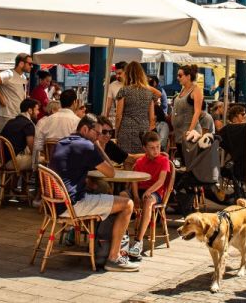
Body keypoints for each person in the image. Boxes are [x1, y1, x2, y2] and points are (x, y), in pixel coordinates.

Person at [50, 113, 138, 271]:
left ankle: (100, 248)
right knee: (127, 204)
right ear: (84, 129)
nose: (98, 137)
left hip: (54, 204)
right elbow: (110, 172)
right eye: (96, 133)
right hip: (73, 205)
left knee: (103, 193)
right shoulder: (86, 146)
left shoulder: (62, 142)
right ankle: (114, 258)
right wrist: (97, 146)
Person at [127, 131, 172, 259]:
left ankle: (138, 241)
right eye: (152, 148)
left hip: (156, 191)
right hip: (140, 190)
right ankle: (123, 238)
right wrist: (135, 196)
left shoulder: (164, 160)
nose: (156, 150)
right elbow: (134, 181)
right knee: (122, 196)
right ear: (144, 148)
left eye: (158, 147)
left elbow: (161, 181)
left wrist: (149, 191)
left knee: (147, 201)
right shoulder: (140, 162)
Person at [33, 89, 82, 170]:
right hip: (70, 167)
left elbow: (38, 145)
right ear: (74, 102)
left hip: (49, 168)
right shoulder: (78, 122)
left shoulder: (47, 120)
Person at [0, 53, 33, 132]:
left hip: (17, 116)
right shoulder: (9, 73)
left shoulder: (23, 77)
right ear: (21, 63)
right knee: (3, 142)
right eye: (30, 64)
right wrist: (0, 98)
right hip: (6, 116)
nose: (32, 66)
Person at [116, 61, 157, 154]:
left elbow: (118, 116)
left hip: (126, 130)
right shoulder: (149, 93)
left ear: (127, 74)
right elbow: (152, 118)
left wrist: (117, 133)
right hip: (143, 132)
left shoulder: (124, 91)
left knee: (127, 161)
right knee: (141, 161)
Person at [0, 98, 39, 170]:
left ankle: (19, 181)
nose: (38, 112)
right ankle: (37, 181)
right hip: (13, 162)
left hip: (1, 160)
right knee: (43, 161)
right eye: (37, 109)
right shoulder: (28, 124)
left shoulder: (11, 121)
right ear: (30, 110)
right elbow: (32, 148)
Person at [171, 64, 204, 146]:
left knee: (188, 158)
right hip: (179, 134)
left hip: (189, 135)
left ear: (188, 76)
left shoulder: (196, 90)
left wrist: (190, 131)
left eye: (180, 75)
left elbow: (197, 111)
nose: (178, 78)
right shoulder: (183, 89)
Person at [219, 104, 246, 187]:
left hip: (236, 163)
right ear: (235, 117)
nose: (244, 116)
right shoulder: (244, 128)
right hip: (243, 165)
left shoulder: (227, 129)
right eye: (242, 114)